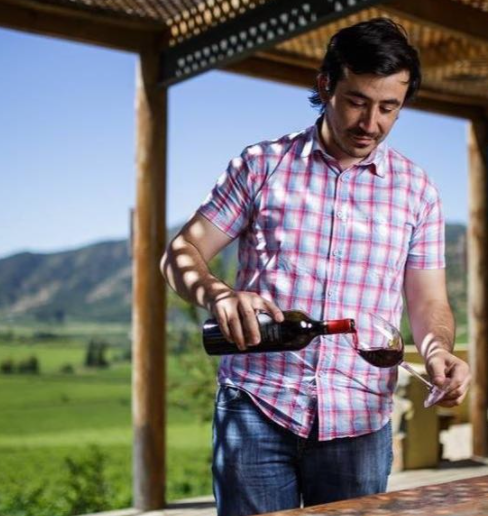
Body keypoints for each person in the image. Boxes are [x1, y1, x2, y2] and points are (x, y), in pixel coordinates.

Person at [161, 17, 471, 516]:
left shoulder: (417, 190)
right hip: (257, 406)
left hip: (360, 418)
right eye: (357, 101)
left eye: (388, 107)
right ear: (326, 85)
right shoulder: (261, 165)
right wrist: (218, 294)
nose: (371, 123)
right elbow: (181, 254)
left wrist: (437, 352)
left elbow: (429, 300)